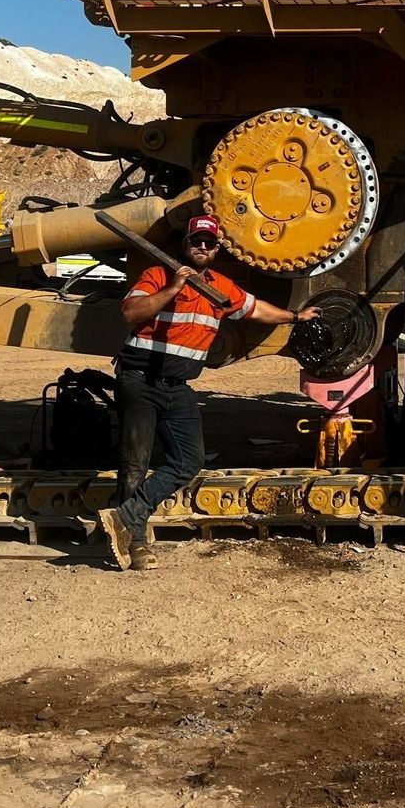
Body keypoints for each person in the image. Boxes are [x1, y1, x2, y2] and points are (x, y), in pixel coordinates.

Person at [96, 215, 315, 570]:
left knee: (189, 459)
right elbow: (131, 311)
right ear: (185, 245)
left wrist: (294, 317)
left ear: (217, 249)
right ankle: (133, 541)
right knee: (135, 462)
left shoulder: (220, 288)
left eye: (209, 243)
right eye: (196, 241)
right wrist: (172, 289)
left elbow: (255, 308)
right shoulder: (158, 276)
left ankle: (126, 515)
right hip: (140, 379)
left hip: (177, 386)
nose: (202, 247)